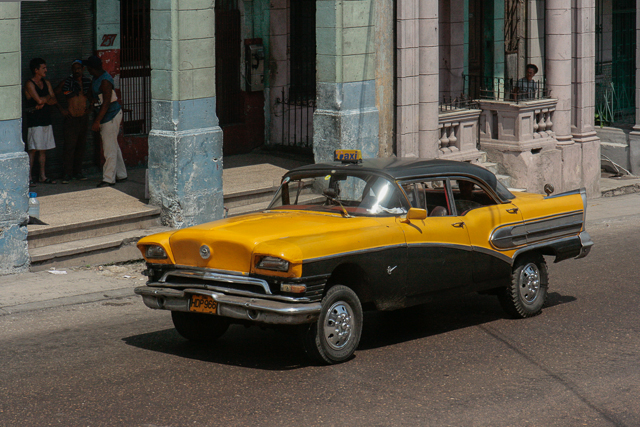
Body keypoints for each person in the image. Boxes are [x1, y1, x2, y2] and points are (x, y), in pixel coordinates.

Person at [83, 55, 127, 187]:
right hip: (107, 115)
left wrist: (97, 121)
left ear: (92, 68)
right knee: (113, 145)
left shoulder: (105, 81)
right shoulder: (96, 78)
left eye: (88, 67)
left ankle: (108, 179)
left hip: (111, 115)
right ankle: (121, 174)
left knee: (109, 148)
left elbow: (106, 103)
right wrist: (92, 100)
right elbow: (90, 93)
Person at [55, 60, 92, 183]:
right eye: (74, 68)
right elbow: (53, 95)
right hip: (71, 119)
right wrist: (62, 110)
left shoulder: (87, 82)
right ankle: (67, 174)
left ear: (82, 69)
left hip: (83, 118)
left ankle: (77, 172)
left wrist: (90, 109)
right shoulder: (66, 82)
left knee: (80, 147)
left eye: (78, 68)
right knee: (69, 147)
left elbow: (93, 96)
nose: (76, 71)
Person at [25, 57, 58, 186]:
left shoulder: (47, 82)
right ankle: (28, 177)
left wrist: (44, 100)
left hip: (45, 120)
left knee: (43, 149)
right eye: (43, 68)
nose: (46, 70)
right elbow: (39, 100)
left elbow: (54, 100)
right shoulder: (29, 84)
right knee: (33, 149)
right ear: (36, 70)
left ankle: (42, 176)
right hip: (35, 121)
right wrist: (46, 99)